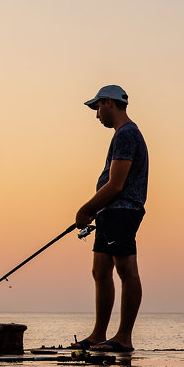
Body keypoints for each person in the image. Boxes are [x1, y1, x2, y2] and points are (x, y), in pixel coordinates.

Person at [74, 85, 148, 353]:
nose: (97, 115)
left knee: (126, 270)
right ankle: (98, 335)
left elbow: (117, 184)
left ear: (109, 103)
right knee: (100, 270)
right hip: (109, 212)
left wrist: (85, 209)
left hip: (122, 210)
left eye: (98, 108)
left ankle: (124, 337)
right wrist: (97, 209)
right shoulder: (122, 134)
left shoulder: (127, 134)